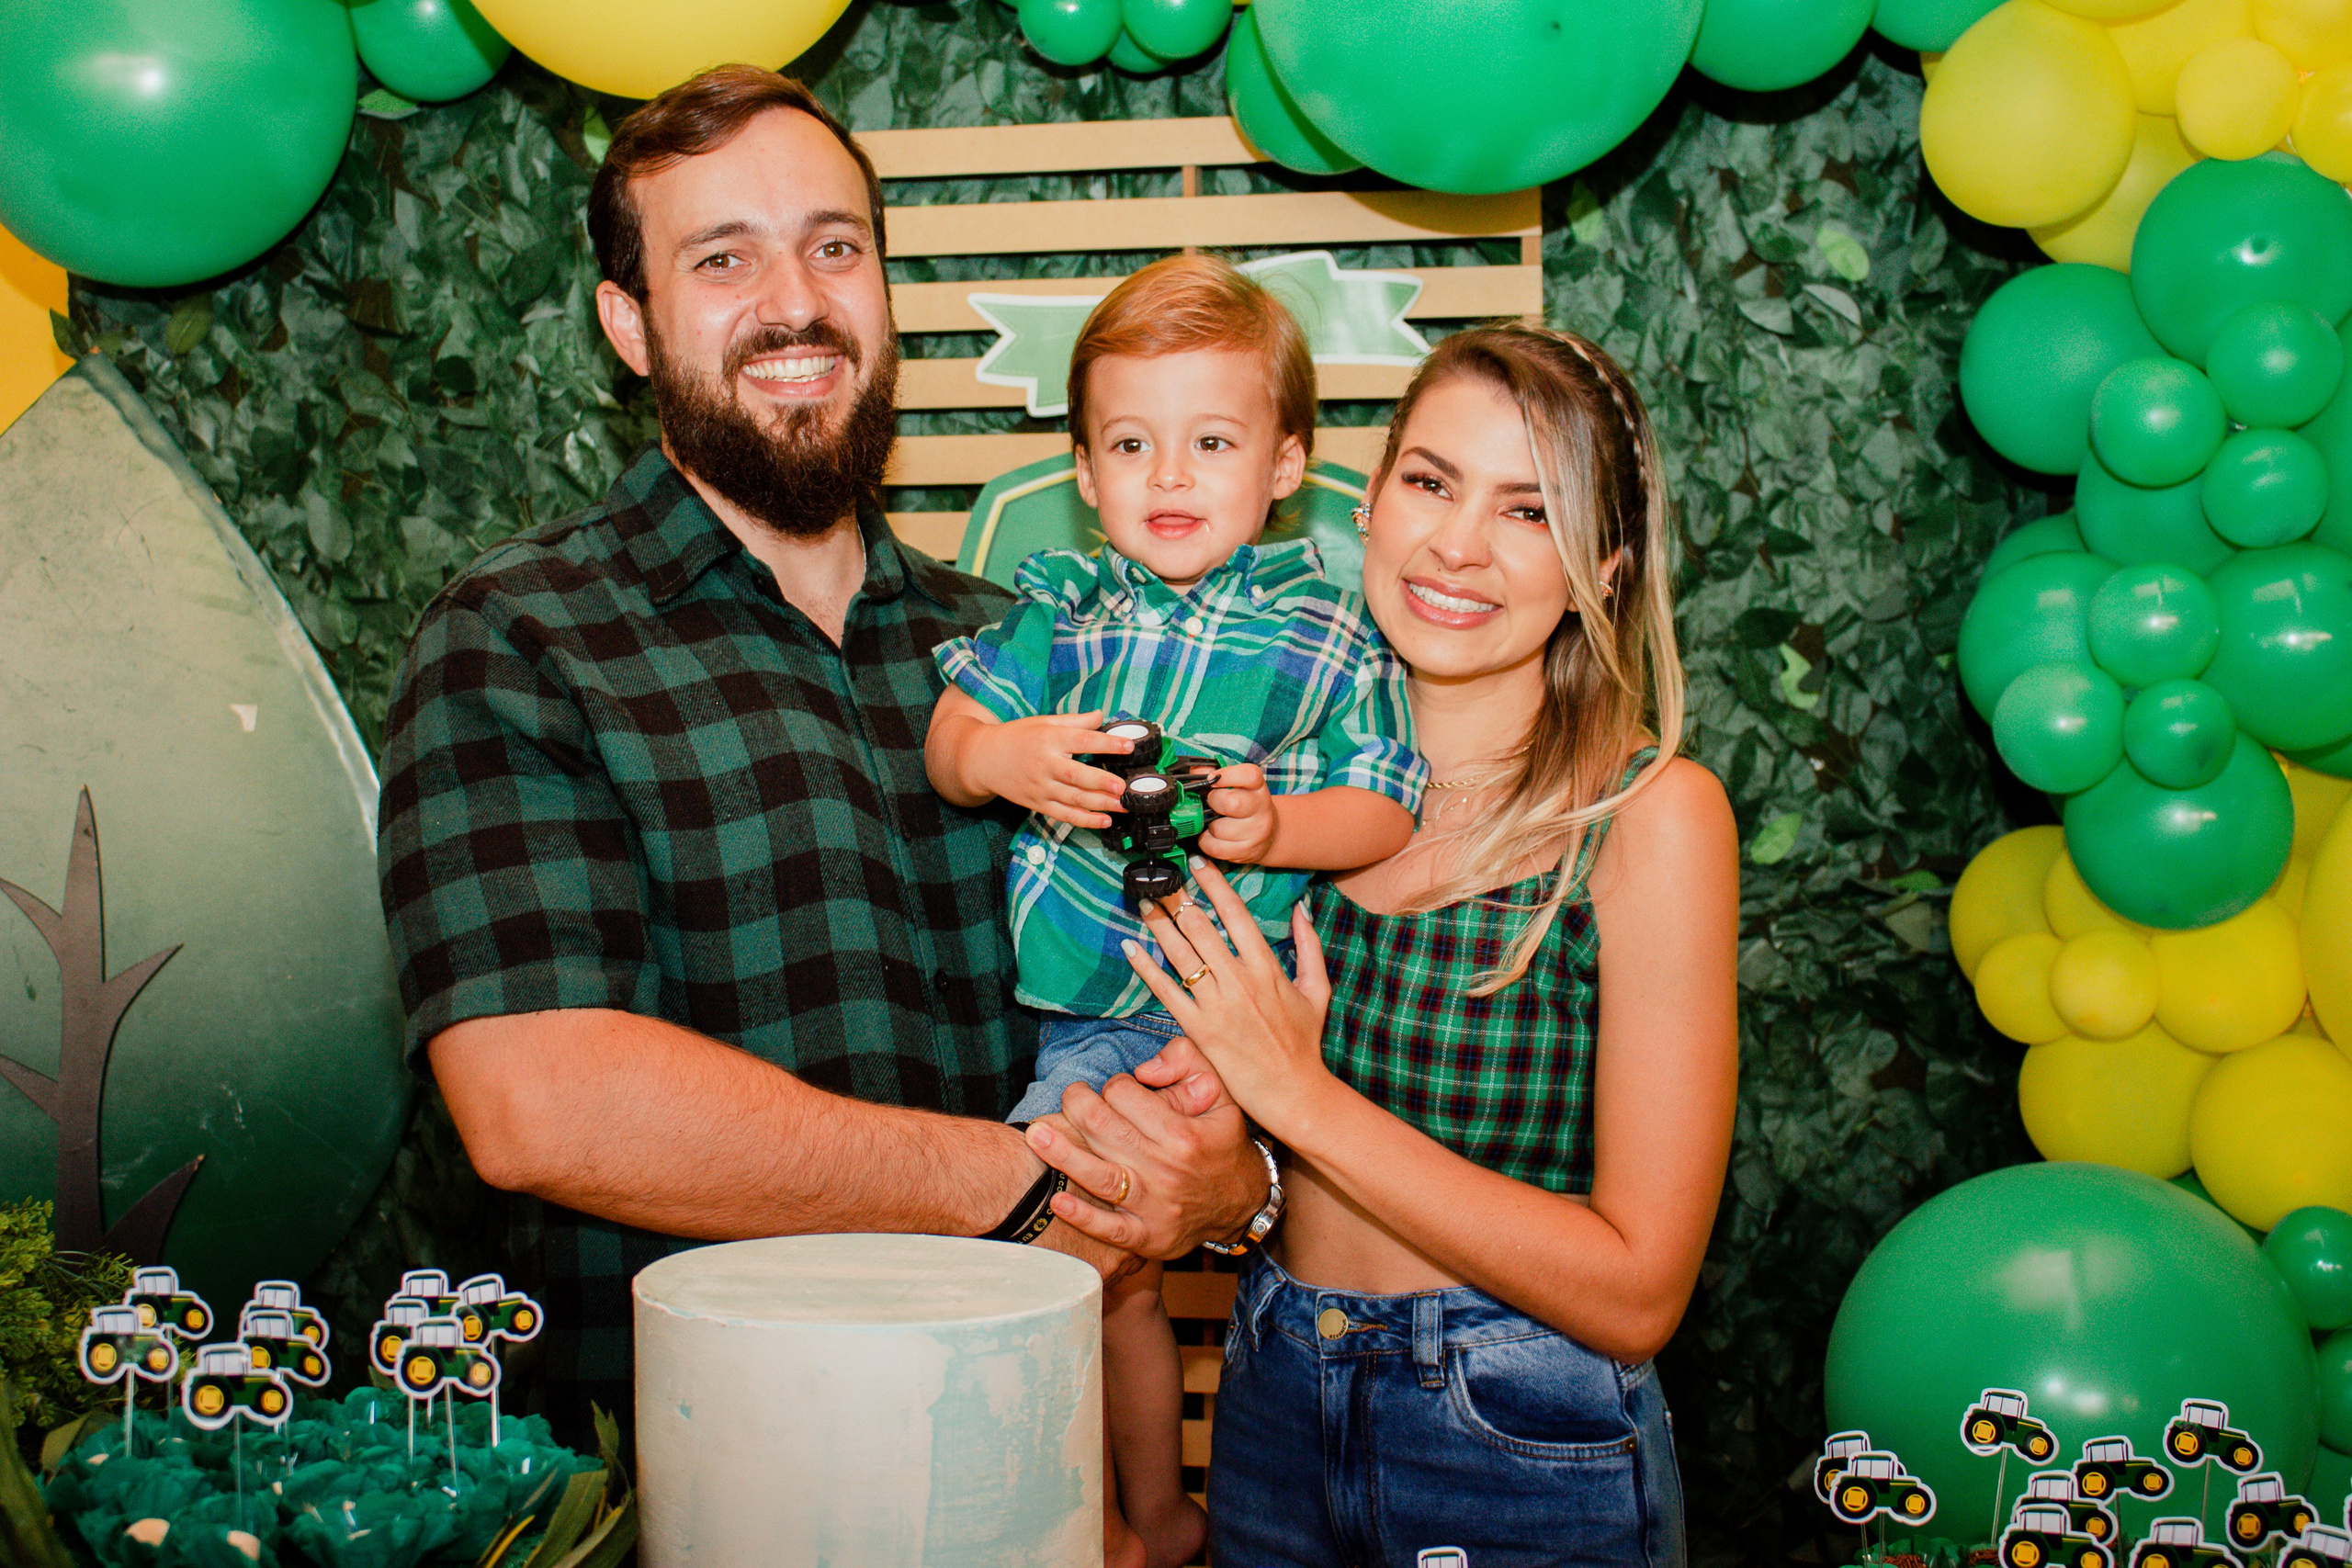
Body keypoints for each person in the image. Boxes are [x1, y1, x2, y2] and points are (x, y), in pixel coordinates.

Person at [372, 65, 1269, 1455]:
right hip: (700, 1475)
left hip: (1027, 1468)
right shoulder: (522, 639)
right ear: (630, 323)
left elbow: (1175, 982)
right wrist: (1018, 1192)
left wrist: (1227, 1165)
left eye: (834, 247)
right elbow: (539, 1100)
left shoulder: (1022, 655)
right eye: (722, 259)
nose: (796, 302)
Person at [1035, 324, 1741, 1566]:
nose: (1458, 545)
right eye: (1430, 480)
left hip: (1518, 1438)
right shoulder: (1271, 789)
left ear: (1604, 569)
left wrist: (1295, 1101)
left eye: (1529, 511)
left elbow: (1638, 1290)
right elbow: (1261, 1171)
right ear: (1365, 502)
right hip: (1268, 1408)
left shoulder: (1647, 817)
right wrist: (1233, 1191)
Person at [925, 254, 1425, 1568]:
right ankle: (1151, 1522)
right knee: (1108, 1286)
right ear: (1085, 474)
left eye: (1212, 442)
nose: (1170, 477)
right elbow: (951, 738)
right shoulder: (1061, 607)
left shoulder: (1329, 630)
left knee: (1043, 1270)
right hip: (1089, 1019)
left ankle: (1068, 1525)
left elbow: (1386, 802)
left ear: (1283, 466)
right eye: (1131, 444)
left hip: (1241, 1025)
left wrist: (1283, 826)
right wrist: (1003, 759)